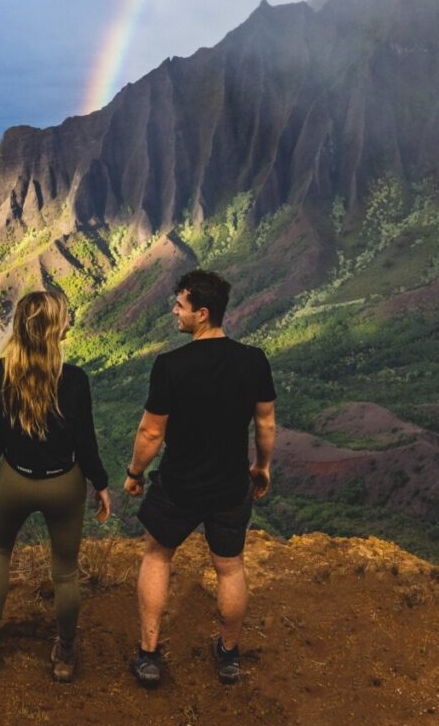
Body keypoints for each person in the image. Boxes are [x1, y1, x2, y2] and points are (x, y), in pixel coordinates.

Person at [123, 269, 276, 686]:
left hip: (178, 486)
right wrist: (262, 467)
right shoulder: (253, 361)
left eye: (180, 305)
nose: (174, 310)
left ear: (202, 314)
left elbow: (151, 432)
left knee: (157, 556)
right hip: (230, 485)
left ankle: (149, 655)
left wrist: (135, 473)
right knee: (229, 568)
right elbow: (265, 424)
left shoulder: (170, 366)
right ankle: (228, 655)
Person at [0, 290, 110, 682]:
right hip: (64, 485)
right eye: (65, 319)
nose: (69, 323)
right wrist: (101, 484)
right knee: (65, 572)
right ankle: (65, 654)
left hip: (16, 480)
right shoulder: (76, 381)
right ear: (54, 332)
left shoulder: (0, 374)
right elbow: (86, 443)